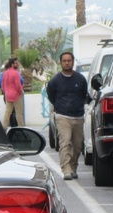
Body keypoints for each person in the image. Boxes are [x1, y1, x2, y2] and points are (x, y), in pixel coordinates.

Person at [46, 51, 88, 180]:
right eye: (64, 61)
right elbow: (51, 96)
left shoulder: (80, 79)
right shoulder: (55, 81)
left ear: (73, 62)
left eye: (69, 60)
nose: (67, 63)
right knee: (65, 142)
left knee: (77, 145)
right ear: (60, 63)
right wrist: (59, 106)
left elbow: (84, 94)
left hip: (78, 117)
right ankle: (66, 170)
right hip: (62, 117)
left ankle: (73, 166)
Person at [0, 57, 25, 130]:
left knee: (7, 112)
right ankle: (21, 127)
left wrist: (5, 92)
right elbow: (18, 85)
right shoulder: (15, 73)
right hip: (16, 95)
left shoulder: (5, 73)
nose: (17, 64)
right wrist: (20, 91)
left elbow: (2, 85)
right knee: (18, 113)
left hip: (8, 95)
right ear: (12, 64)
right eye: (16, 63)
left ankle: (4, 126)